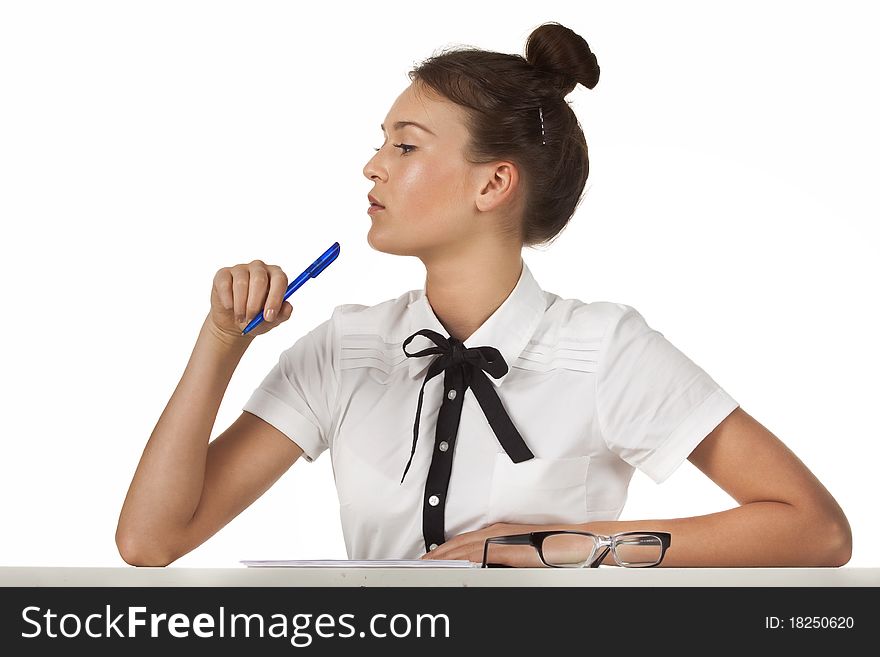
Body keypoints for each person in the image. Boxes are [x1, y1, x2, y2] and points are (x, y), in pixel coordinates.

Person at [116, 22, 852, 568]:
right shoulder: (347, 349)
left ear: (493, 183)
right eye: (381, 142)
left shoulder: (604, 350)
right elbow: (151, 540)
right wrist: (221, 344)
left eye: (405, 145)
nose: (371, 166)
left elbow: (814, 529)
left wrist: (563, 545)